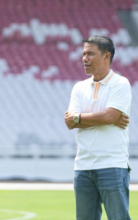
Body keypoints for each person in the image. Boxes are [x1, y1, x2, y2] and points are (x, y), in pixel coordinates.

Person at [64, 36, 132, 220]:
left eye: (90, 54)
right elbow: (69, 122)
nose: (84, 58)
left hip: (112, 165)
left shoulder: (120, 83)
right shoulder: (79, 87)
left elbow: (109, 116)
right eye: (84, 54)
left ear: (106, 56)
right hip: (83, 166)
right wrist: (104, 118)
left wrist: (81, 117)